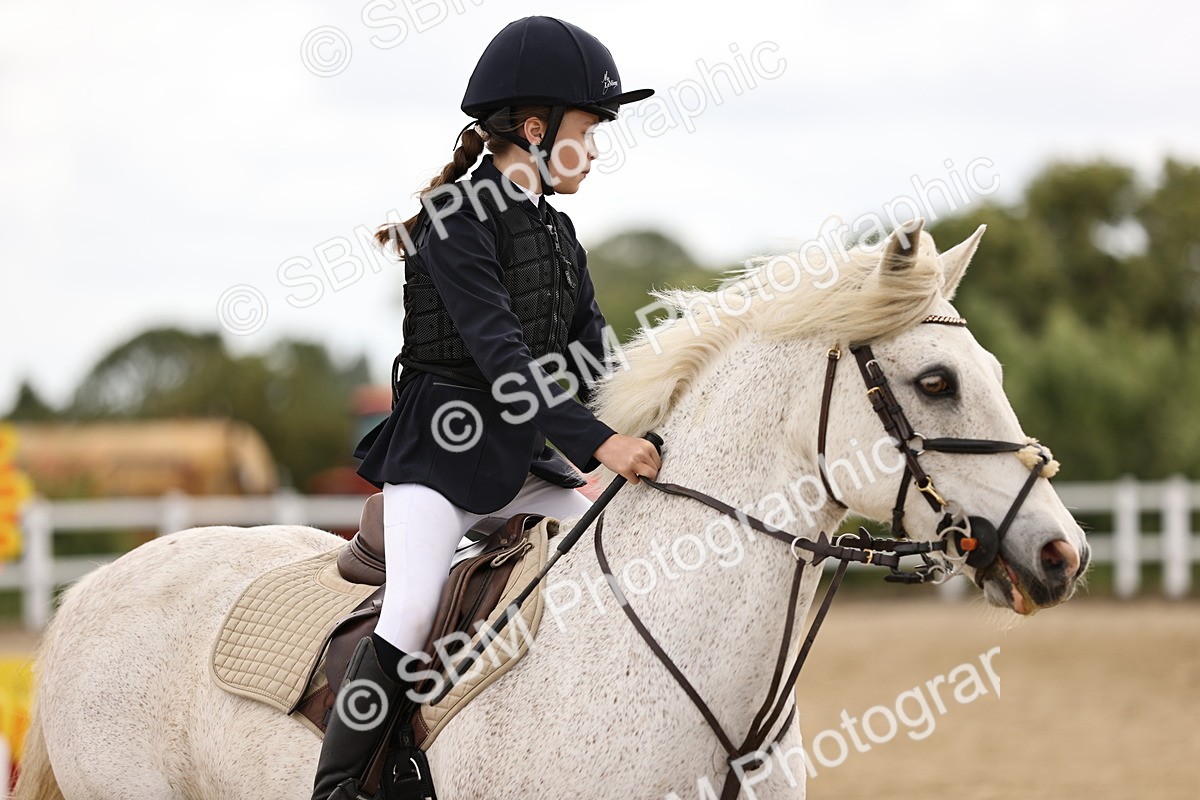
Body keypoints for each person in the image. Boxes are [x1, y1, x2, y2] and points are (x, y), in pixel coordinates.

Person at [312, 16, 661, 799]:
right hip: (437, 463)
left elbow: (595, 361)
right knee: (409, 611)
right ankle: (335, 789)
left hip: (522, 464)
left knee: (621, 568)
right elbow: (507, 363)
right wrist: (600, 445)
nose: (599, 149)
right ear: (536, 129)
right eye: (590, 129)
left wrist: (650, 422)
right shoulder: (454, 221)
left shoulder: (559, 234)